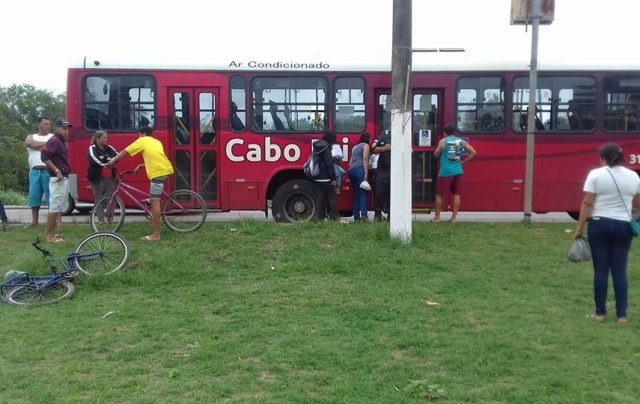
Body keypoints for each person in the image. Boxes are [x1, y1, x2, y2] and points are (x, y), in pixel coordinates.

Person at [573, 143, 640, 324]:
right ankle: (622, 315)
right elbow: (636, 203)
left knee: (601, 270)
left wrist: (579, 229)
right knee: (620, 270)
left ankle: (600, 313)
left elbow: (587, 204)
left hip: (599, 224)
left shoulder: (595, 175)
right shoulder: (634, 176)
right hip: (623, 226)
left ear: (603, 158)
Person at [109, 126, 174, 241]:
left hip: (158, 173)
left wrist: (112, 160)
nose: (139, 137)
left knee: (155, 203)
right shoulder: (156, 141)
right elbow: (156, 158)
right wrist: (141, 166)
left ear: (142, 133)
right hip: (166, 169)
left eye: (139, 135)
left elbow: (125, 151)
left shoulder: (142, 140)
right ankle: (152, 201)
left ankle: (156, 235)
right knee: (155, 198)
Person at [433, 125, 477, 223]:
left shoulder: (443, 141)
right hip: (458, 171)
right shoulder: (460, 141)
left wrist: (439, 153)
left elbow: (436, 154)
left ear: (444, 133)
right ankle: (453, 219)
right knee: (456, 195)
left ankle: (437, 218)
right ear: (454, 132)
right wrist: (462, 162)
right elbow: (473, 152)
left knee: (439, 195)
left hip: (445, 172)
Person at [40, 118, 72, 243]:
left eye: (67, 128)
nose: (66, 131)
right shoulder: (54, 140)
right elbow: (44, 156)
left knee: (58, 206)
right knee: (54, 207)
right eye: (64, 128)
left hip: (62, 176)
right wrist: (56, 170)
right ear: (57, 128)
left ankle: (52, 233)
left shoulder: (60, 141)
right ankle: (49, 236)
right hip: (56, 177)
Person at [24, 116, 54, 227]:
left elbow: (51, 147)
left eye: (49, 124)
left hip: (48, 170)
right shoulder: (30, 136)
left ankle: (54, 222)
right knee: (34, 196)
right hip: (34, 170)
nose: (48, 126)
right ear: (39, 125)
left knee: (51, 196)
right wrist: (46, 144)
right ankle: (34, 222)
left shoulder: (53, 137)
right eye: (46, 123)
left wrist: (35, 144)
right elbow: (28, 143)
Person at [87, 130, 118, 224]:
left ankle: (110, 218)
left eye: (106, 137)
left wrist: (108, 160)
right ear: (97, 138)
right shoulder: (92, 148)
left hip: (110, 178)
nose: (106, 140)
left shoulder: (109, 148)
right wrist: (106, 162)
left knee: (111, 198)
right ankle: (101, 220)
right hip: (97, 177)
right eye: (104, 138)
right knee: (99, 198)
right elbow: (94, 158)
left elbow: (117, 156)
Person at [312, 130, 338, 220]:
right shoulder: (326, 147)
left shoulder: (317, 146)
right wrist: (333, 178)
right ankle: (334, 218)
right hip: (326, 177)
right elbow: (329, 165)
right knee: (332, 197)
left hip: (317, 176)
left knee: (320, 197)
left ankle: (317, 218)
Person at [348, 133, 371, 221]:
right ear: (368, 139)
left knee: (356, 195)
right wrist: (366, 172)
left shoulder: (355, 147)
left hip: (352, 171)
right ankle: (364, 216)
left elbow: (350, 162)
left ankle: (356, 217)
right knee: (363, 194)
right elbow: (365, 159)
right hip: (359, 169)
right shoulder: (366, 145)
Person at [371, 130, 391, 221]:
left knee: (393, 193)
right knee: (379, 192)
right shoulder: (382, 137)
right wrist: (384, 149)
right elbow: (373, 149)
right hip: (383, 170)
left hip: (396, 170)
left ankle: (391, 215)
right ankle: (378, 214)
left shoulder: (402, 137)